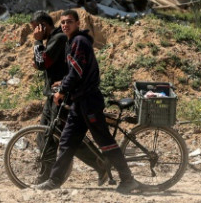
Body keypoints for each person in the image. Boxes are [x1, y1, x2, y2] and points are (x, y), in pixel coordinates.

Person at [33, 10, 140, 194]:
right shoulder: (72, 42)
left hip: (89, 101)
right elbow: (73, 72)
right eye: (63, 22)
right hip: (79, 102)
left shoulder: (79, 42)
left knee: (104, 141)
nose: (65, 25)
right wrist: (62, 82)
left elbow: (76, 73)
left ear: (77, 24)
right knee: (66, 141)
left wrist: (62, 90)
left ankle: (128, 179)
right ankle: (54, 181)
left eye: (69, 22)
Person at [30, 11, 111, 185]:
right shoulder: (53, 40)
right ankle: (48, 173)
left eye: (35, 28)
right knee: (45, 135)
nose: (34, 32)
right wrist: (39, 50)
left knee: (64, 136)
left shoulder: (58, 39)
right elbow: (39, 63)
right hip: (54, 95)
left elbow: (42, 63)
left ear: (43, 26)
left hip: (63, 96)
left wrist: (37, 41)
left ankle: (99, 163)